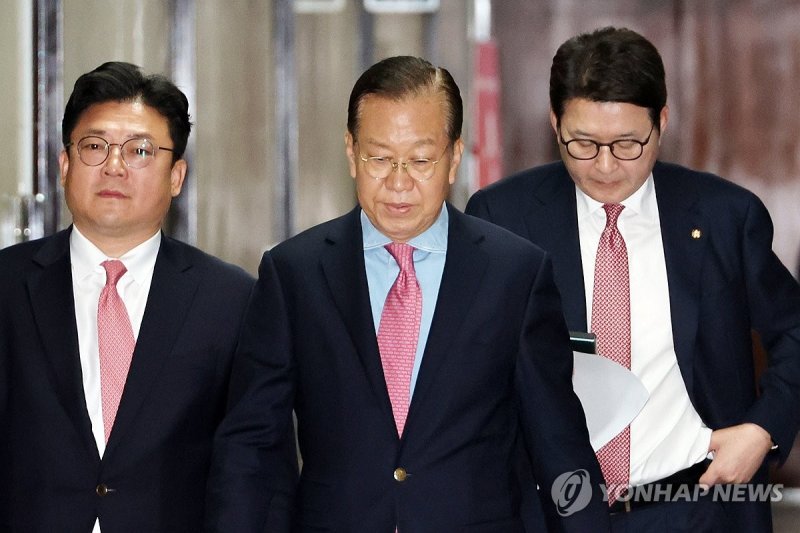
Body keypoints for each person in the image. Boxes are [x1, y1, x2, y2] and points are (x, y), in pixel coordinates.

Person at [204, 55, 610, 532]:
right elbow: (251, 444)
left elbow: (559, 446)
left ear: (454, 158)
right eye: (379, 159)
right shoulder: (295, 273)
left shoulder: (515, 274)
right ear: (351, 152)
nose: (398, 184)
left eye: (420, 160)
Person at [466, 26, 800, 532]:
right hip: (552, 513)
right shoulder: (503, 217)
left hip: (694, 507)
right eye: (583, 143)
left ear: (660, 122)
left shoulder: (723, 217)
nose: (605, 166)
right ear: (555, 123)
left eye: (627, 144)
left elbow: (794, 330)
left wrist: (762, 429)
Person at [0, 62, 254, 532]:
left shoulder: (231, 300)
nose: (114, 166)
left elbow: (252, 467)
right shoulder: (8, 286)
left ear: (176, 176)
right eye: (94, 146)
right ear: (64, 166)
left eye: (139, 150)